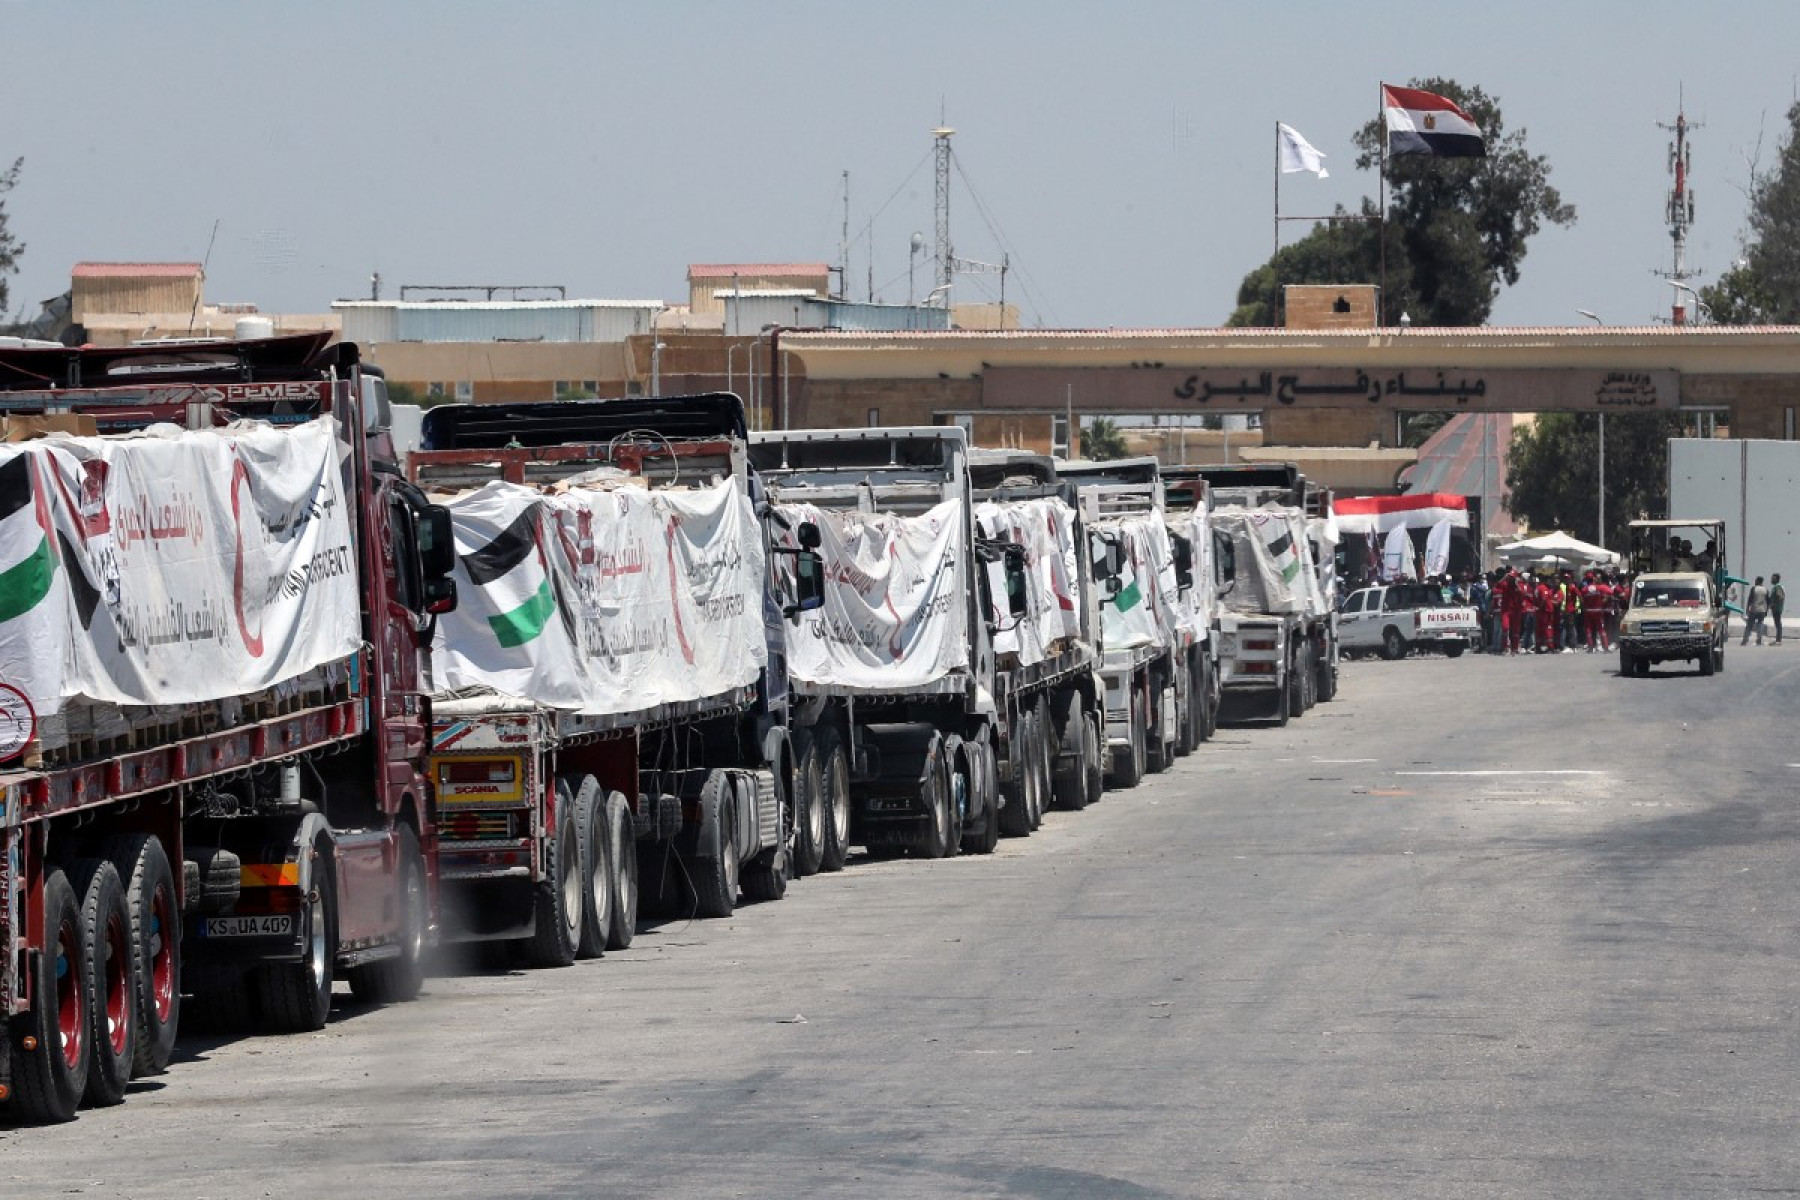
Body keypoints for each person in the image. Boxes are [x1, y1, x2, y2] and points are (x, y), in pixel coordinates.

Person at [1741, 576, 1770, 646]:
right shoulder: (1766, 589)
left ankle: (1745, 640)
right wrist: (1766, 610)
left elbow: (1750, 599)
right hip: (1762, 610)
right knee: (1760, 624)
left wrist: (1747, 609)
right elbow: (1768, 601)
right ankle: (1759, 639)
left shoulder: (1754, 589)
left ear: (1757, 581)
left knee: (1749, 625)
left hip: (1754, 609)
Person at [1772, 573, 1786, 644]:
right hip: (1777, 608)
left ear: (1777, 579)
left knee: (1778, 624)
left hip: (1777, 609)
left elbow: (1780, 596)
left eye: (1773, 578)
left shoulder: (1777, 587)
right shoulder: (1777, 587)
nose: (1771, 579)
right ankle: (1778, 639)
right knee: (1777, 623)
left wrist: (1774, 604)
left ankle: (1778, 640)